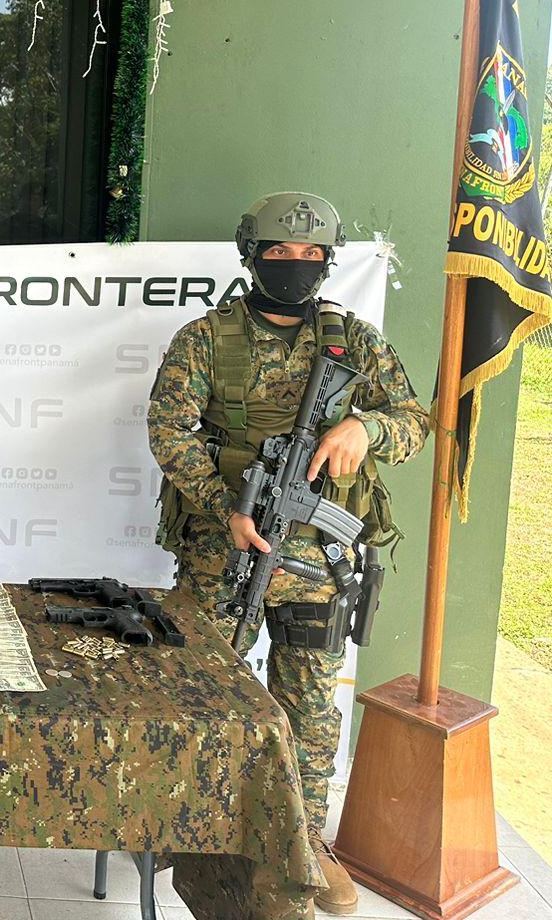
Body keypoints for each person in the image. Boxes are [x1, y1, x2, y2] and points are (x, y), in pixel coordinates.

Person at [147, 191, 430, 916]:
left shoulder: (353, 340)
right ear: (252, 255)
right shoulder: (205, 340)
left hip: (319, 561)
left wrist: (365, 428)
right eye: (279, 252)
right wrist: (227, 507)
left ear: (328, 262)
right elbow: (169, 432)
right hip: (225, 554)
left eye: (311, 255)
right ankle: (189, 826)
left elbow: (414, 420)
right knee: (204, 695)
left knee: (308, 707)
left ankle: (304, 846)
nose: (295, 265)